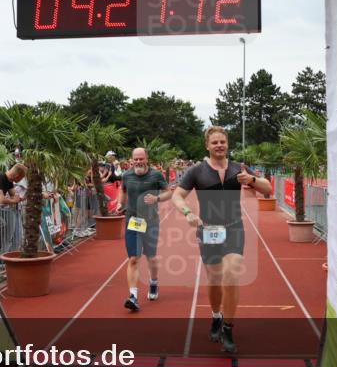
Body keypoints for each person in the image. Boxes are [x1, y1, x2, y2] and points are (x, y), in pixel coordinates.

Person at [171, 127, 271, 353]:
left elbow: (267, 188)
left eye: (222, 142)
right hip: (208, 230)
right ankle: (216, 315)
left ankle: (228, 327)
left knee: (232, 272)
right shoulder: (197, 171)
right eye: (214, 142)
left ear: (227, 144)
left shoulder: (239, 168)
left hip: (234, 227)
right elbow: (177, 196)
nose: (219, 145)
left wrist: (252, 179)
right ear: (207, 145)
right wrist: (188, 213)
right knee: (215, 280)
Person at [116, 148, 173, 312]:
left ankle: (153, 282)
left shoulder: (156, 175)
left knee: (152, 258)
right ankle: (133, 296)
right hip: (132, 221)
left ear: (147, 158)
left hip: (151, 222)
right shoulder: (127, 175)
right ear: (132, 160)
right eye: (136, 159)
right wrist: (121, 203)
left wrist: (157, 198)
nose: (139, 162)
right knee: (133, 259)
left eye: (141, 159)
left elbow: (169, 193)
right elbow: (123, 190)